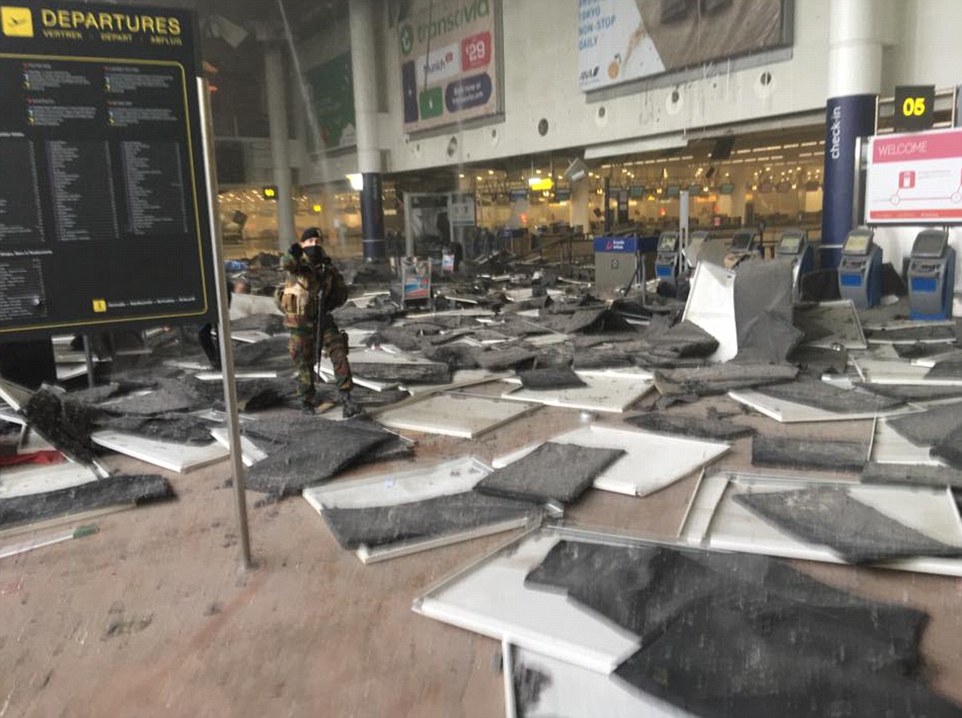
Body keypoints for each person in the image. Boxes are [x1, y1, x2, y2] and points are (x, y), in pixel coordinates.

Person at [277, 227, 360, 417]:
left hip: (323, 318)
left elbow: (341, 291)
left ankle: (346, 397)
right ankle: (306, 402)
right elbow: (287, 264)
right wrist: (292, 253)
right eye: (309, 242)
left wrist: (331, 301)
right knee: (304, 362)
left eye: (317, 241)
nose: (314, 245)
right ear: (303, 243)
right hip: (300, 322)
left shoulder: (326, 267)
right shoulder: (298, 265)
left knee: (339, 353)